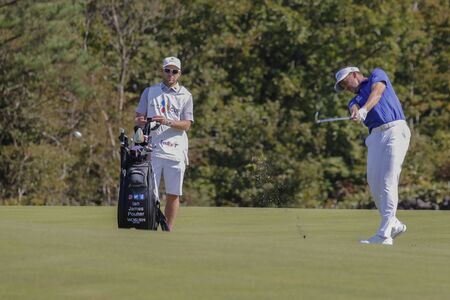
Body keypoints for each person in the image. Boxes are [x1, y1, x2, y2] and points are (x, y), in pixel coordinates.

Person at [334, 66, 411, 245]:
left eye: (346, 83)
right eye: (344, 87)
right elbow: (353, 107)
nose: (347, 88)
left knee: (388, 179)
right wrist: (356, 112)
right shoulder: (354, 100)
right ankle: (394, 223)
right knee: (375, 183)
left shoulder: (377, 75)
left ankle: (384, 234)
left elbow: (377, 92)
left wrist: (365, 110)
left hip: (395, 130)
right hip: (375, 136)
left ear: (354, 75)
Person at [135, 56, 194, 231]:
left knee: (173, 194)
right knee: (150, 193)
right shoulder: (150, 91)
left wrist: (167, 121)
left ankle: (167, 229)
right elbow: (139, 118)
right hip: (153, 149)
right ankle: (150, 225)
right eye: (167, 70)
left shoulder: (186, 95)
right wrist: (145, 122)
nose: (171, 74)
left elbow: (187, 124)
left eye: (174, 71)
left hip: (176, 151)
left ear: (179, 73)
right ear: (163, 71)